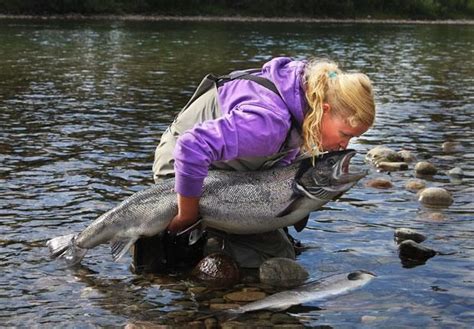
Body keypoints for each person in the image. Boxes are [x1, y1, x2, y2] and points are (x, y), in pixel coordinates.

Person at [132, 57, 375, 273]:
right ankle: (191, 239)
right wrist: (187, 216)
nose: (345, 145)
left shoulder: (304, 97)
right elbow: (190, 147)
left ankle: (215, 234)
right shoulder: (268, 123)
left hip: (223, 170)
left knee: (281, 250)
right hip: (178, 168)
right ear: (324, 109)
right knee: (266, 257)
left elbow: (283, 159)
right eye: (345, 134)